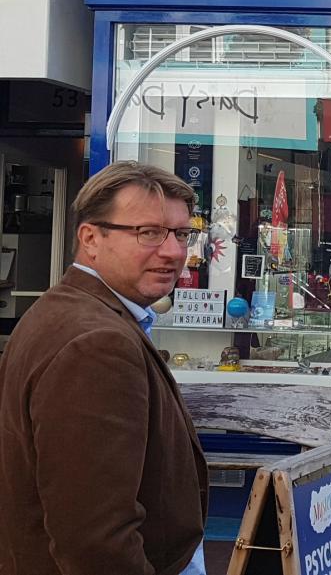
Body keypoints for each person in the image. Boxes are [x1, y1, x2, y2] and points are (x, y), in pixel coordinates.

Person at [0, 161, 209, 575]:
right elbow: (95, 539)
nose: (173, 252)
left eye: (182, 234)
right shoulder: (97, 344)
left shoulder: (70, 311)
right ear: (90, 238)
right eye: (148, 232)